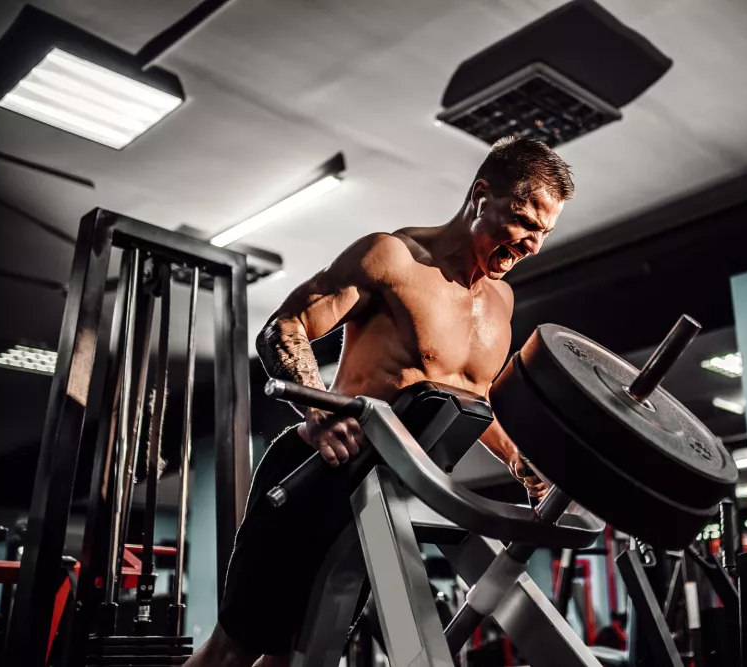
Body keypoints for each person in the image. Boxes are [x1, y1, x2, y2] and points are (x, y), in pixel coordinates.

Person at [185, 136, 574, 667]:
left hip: (389, 501)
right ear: (481, 194)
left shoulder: (501, 302)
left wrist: (522, 464)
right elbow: (285, 327)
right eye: (525, 222)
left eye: (544, 234)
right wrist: (320, 411)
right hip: (315, 474)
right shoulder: (393, 258)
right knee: (236, 650)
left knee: (303, 656)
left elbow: (476, 397)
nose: (533, 244)